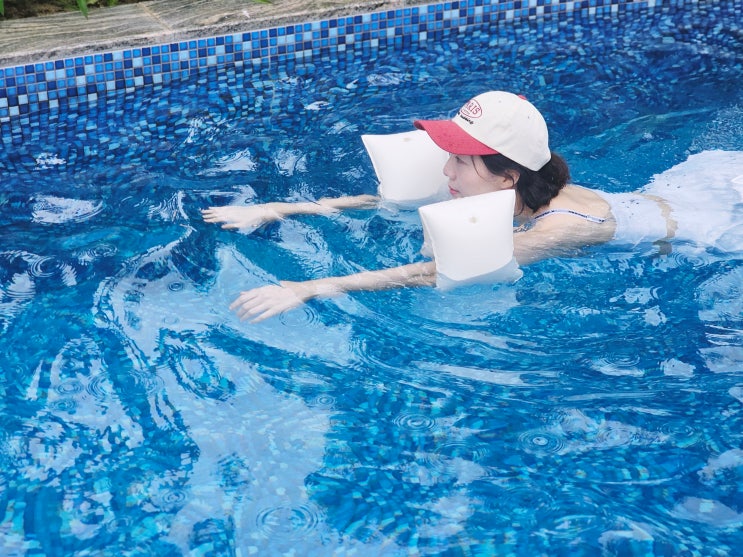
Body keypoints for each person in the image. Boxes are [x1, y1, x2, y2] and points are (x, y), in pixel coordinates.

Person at [202, 91, 681, 322]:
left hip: (702, 225)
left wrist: (314, 287)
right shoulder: (505, 184)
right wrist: (277, 210)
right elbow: (387, 201)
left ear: (507, 176)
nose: (446, 171)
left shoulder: (560, 230)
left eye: (460, 161)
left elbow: (439, 271)